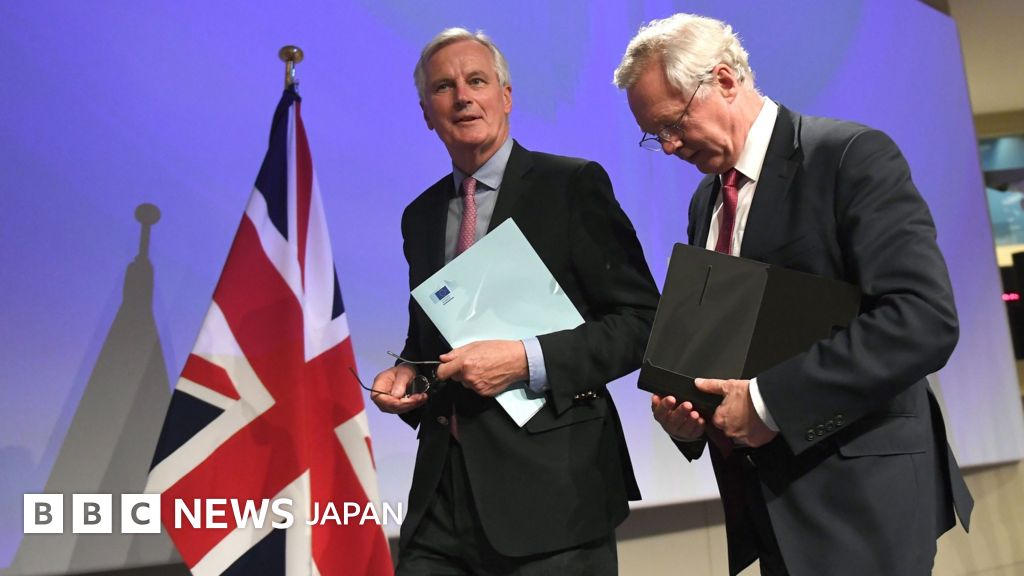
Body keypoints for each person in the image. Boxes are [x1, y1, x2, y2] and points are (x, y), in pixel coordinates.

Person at [614, 13, 973, 576]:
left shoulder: (849, 157)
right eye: (654, 135)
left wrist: (767, 404)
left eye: (673, 123)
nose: (669, 146)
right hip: (772, 505)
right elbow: (733, 345)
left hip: (861, 499)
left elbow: (922, 320)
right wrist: (691, 414)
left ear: (724, 80)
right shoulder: (706, 200)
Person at [370, 27, 660, 575]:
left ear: (505, 96)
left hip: (554, 500)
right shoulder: (420, 216)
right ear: (426, 112)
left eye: (477, 81)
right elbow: (431, 336)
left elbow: (642, 324)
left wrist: (526, 360)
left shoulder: (571, 186)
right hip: (440, 500)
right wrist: (409, 372)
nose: (463, 96)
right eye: (444, 87)